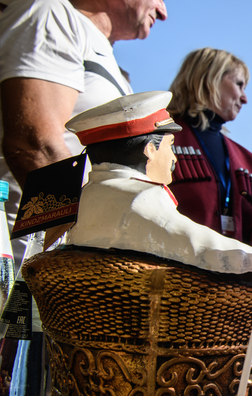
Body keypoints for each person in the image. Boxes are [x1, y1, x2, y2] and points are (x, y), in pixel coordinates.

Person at [0, 0, 168, 265]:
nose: (163, 12)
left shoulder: (114, 66)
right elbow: (34, 144)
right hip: (25, 271)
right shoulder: (52, 14)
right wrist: (86, 243)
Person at [64, 91, 252, 275]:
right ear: (149, 150)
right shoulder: (141, 197)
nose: (174, 158)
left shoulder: (85, 195)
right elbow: (204, 248)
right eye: (170, 146)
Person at [166, 48, 252, 251]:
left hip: (232, 280)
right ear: (209, 80)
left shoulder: (249, 161)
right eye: (239, 85)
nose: (244, 98)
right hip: (166, 276)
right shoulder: (160, 139)